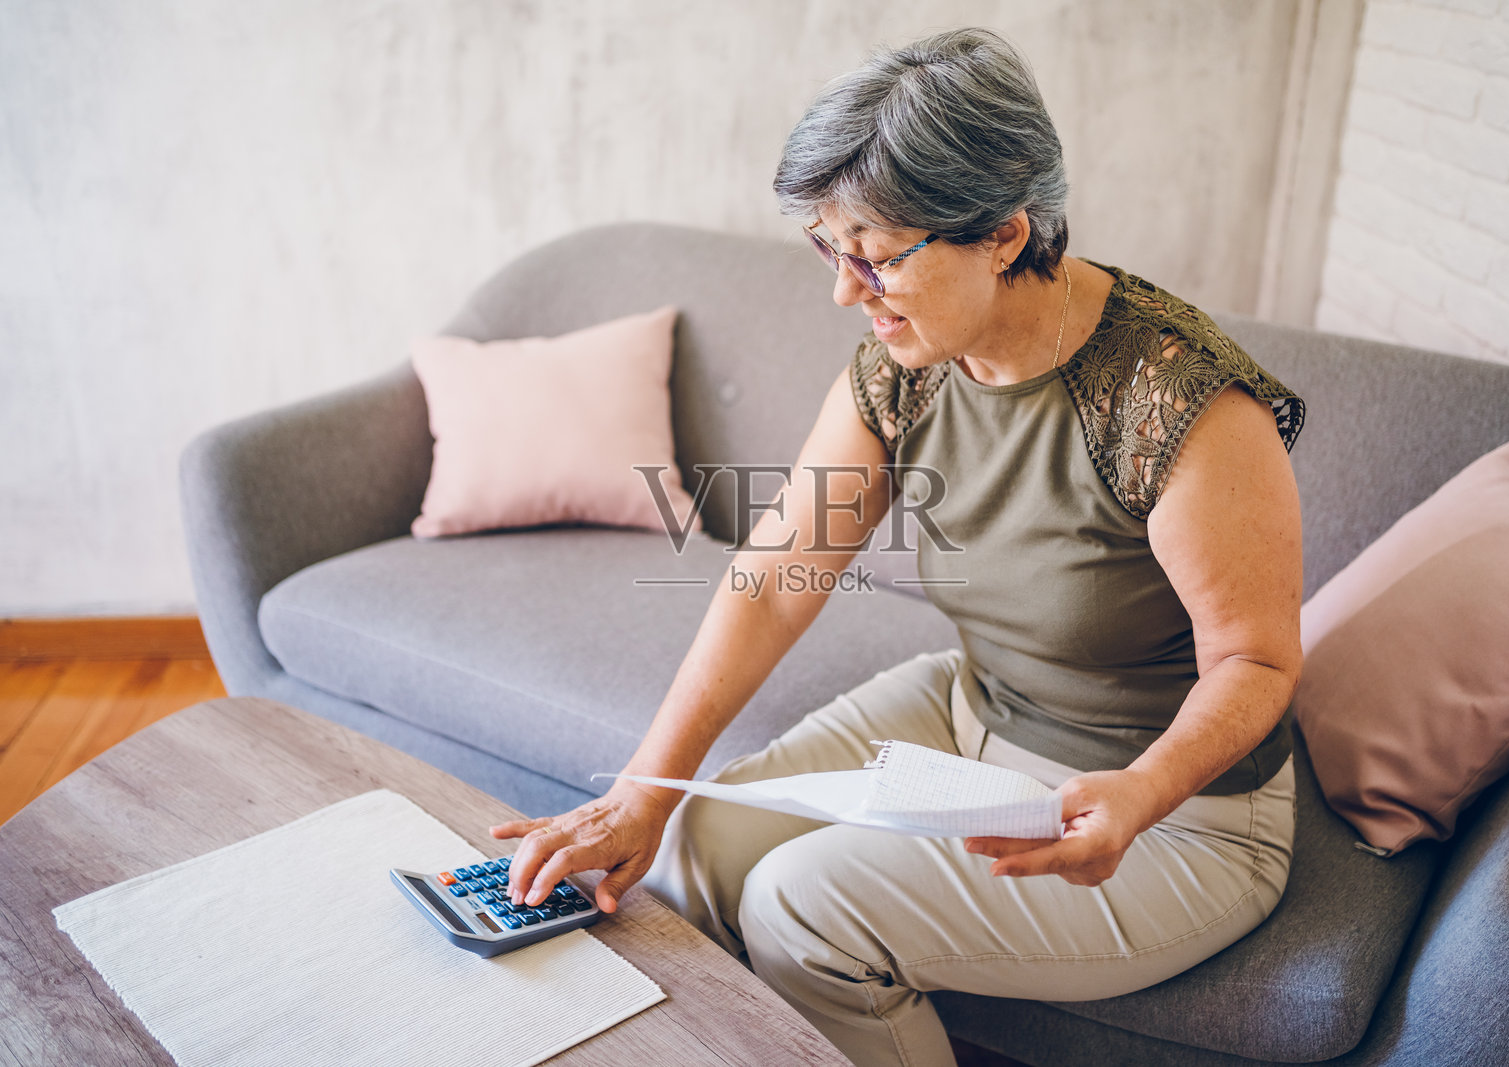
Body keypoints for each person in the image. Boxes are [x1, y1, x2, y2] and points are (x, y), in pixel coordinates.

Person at [489, 27, 1306, 1067]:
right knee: (694, 838)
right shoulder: (908, 367)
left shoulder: (1181, 407)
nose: (844, 292)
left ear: (1005, 236)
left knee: (801, 907)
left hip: (1174, 815)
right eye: (830, 250)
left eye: (874, 258)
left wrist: (1142, 790)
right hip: (977, 708)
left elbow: (1259, 659)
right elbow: (778, 577)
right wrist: (638, 792)